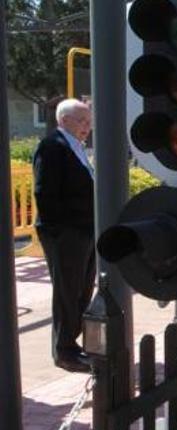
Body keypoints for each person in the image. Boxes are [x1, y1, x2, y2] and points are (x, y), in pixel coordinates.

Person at [33, 98, 95, 373]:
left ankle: (74, 343)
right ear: (64, 120)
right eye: (82, 121)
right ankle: (64, 350)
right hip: (66, 232)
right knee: (67, 291)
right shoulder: (52, 147)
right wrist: (63, 230)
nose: (87, 127)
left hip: (85, 230)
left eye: (89, 122)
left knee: (83, 289)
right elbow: (44, 193)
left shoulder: (77, 147)